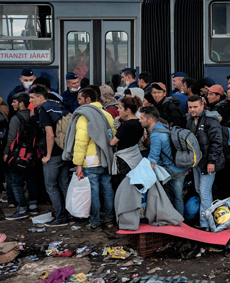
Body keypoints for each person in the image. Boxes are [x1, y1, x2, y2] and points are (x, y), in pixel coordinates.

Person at [65, 87, 116, 231]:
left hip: (90, 161)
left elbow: (81, 142)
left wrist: (78, 163)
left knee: (93, 192)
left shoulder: (84, 116)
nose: (78, 102)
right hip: (106, 159)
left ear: (88, 100)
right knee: (107, 190)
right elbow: (112, 136)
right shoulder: (107, 114)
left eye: (80, 99)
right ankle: (109, 219)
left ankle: (95, 222)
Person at [28, 86, 70, 225]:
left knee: (51, 186)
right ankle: (70, 215)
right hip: (65, 152)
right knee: (64, 185)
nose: (30, 100)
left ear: (40, 97)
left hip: (53, 154)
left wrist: (48, 155)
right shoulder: (57, 105)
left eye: (32, 97)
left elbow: (50, 134)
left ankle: (61, 217)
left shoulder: (43, 110)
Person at [140, 106, 189, 216]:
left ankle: (166, 219)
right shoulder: (164, 127)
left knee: (164, 197)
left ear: (150, 120)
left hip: (170, 170)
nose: (140, 120)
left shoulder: (156, 135)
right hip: (180, 167)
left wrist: (144, 176)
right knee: (178, 197)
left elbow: (153, 159)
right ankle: (180, 222)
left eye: (142, 118)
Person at [186, 95, 225, 225]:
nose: (192, 110)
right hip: (197, 163)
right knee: (199, 190)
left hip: (208, 162)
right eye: (190, 107)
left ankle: (205, 224)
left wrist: (211, 162)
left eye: (195, 107)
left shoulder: (211, 121)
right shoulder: (189, 120)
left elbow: (217, 143)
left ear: (202, 106)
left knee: (204, 192)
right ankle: (207, 218)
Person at [3, 93, 37, 220]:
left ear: (21, 103)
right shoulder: (33, 116)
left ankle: (22, 210)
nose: (12, 104)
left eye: (14, 102)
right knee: (31, 180)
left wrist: (6, 153)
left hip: (18, 155)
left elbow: (11, 138)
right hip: (32, 154)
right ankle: (33, 206)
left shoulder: (16, 118)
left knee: (16, 182)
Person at [109, 95, 144, 191]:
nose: (118, 110)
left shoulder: (126, 125)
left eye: (120, 108)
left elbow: (112, 143)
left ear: (127, 110)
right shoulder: (139, 123)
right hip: (136, 157)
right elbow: (139, 140)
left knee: (123, 187)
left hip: (124, 160)